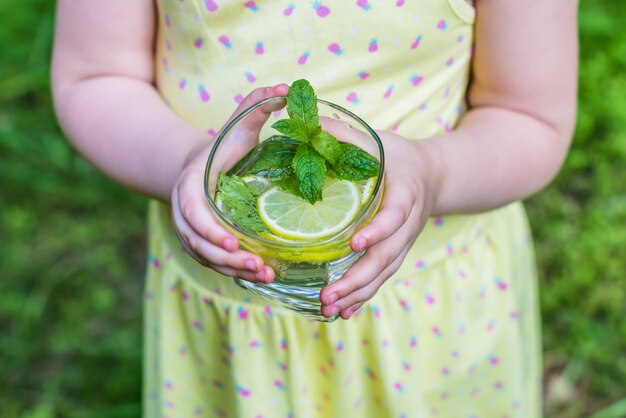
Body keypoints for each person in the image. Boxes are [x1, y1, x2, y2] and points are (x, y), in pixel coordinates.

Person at [51, 0, 578, 416]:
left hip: (427, 318)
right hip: (235, 334)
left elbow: (528, 116)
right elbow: (95, 76)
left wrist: (433, 172)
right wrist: (187, 163)